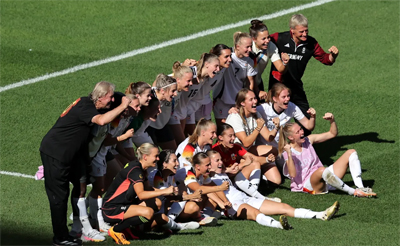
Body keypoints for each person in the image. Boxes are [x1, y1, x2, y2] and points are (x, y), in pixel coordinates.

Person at [39, 81, 131, 246]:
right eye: (110, 98)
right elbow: (102, 121)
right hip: (56, 154)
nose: (111, 101)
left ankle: (79, 227)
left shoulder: (91, 105)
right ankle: (60, 238)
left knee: (82, 184)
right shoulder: (86, 106)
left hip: (74, 155)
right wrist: (123, 105)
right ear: (101, 97)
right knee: (59, 197)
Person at [207, 150, 340, 230]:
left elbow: (231, 170)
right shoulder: (206, 178)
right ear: (208, 163)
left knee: (284, 207)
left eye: (220, 160)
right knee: (254, 213)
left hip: (245, 198)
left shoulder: (222, 171)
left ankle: (321, 214)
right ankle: (279, 225)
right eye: (216, 160)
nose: (221, 162)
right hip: (234, 206)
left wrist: (240, 165)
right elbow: (212, 191)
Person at [268, 14, 339, 135]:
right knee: (271, 124)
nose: (305, 34)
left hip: (295, 87)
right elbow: (262, 42)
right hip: (277, 89)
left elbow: (326, 59)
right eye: (301, 31)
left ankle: (303, 151)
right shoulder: (279, 38)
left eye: (306, 31)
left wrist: (333, 55)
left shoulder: (311, 43)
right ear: (292, 30)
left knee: (306, 126)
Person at [102, 143, 186, 245]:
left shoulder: (140, 168)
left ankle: (129, 229)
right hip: (112, 208)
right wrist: (165, 191)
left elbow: (149, 189)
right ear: (145, 157)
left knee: (157, 203)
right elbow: (141, 194)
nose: (158, 159)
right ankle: (116, 229)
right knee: (148, 213)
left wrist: (168, 192)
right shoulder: (136, 171)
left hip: (124, 204)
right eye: (156, 156)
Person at [278, 113, 376, 197]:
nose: (302, 132)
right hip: (308, 184)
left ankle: (361, 187)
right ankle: (353, 192)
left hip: (324, 175)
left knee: (351, 152)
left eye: (301, 129)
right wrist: (289, 154)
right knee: (321, 170)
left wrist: (332, 120)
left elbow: (332, 134)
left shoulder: (308, 140)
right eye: (298, 132)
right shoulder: (288, 151)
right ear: (290, 137)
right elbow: (292, 175)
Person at [212, 123, 281, 200]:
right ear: (220, 137)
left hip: (235, 179)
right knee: (239, 172)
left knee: (255, 164)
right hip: (224, 184)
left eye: (234, 135)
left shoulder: (235, 147)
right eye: (230, 136)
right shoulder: (215, 152)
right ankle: (260, 197)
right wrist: (243, 164)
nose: (234, 138)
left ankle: (254, 195)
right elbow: (223, 172)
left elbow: (254, 159)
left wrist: (267, 159)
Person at [147, 150, 202, 230]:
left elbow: (175, 194)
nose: (178, 164)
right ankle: (171, 224)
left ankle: (170, 221)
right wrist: (191, 196)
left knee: (184, 197)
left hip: (164, 206)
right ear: (164, 164)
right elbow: (168, 196)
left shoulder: (170, 175)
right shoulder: (157, 176)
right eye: (174, 161)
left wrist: (187, 196)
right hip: (153, 209)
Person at [213, 32, 257, 126]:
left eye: (251, 46)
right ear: (237, 47)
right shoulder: (228, 57)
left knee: (239, 130)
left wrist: (247, 99)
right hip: (222, 101)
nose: (250, 49)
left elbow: (250, 82)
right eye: (247, 47)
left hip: (238, 101)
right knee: (223, 131)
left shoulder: (249, 60)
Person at [174, 152, 230, 226]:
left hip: (190, 199)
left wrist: (225, 202)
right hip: (177, 205)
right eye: (207, 165)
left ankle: (205, 217)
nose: (210, 167)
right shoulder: (189, 172)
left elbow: (211, 186)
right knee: (193, 207)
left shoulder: (203, 173)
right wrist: (220, 187)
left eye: (210, 164)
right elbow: (199, 189)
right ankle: (200, 218)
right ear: (198, 166)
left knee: (212, 198)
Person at [256, 83, 315, 151]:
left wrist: (312, 117)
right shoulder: (262, 109)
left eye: (288, 96)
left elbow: (309, 126)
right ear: (274, 99)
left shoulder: (292, 107)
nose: (287, 99)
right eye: (283, 97)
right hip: (264, 148)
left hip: (282, 148)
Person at [248, 19, 289, 94]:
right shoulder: (248, 47)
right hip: (244, 84)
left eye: (268, 37)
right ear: (254, 39)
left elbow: (280, 68)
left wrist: (285, 63)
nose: (267, 41)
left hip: (257, 82)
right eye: (263, 39)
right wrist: (257, 91)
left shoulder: (271, 46)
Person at [146, 73, 179, 150]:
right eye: (173, 91)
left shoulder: (166, 96)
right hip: (148, 128)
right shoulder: (149, 98)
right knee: (153, 155)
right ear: (162, 90)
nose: (176, 94)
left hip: (162, 126)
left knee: (173, 153)